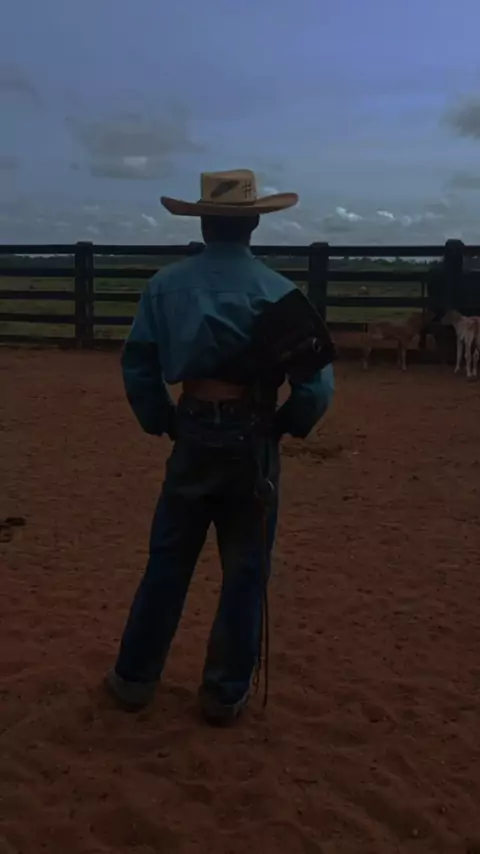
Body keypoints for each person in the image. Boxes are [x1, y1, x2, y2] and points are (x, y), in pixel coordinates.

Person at [105, 169, 335, 725]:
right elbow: (315, 387)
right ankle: (224, 692)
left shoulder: (164, 286)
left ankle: (134, 679)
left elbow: (139, 364)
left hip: (192, 429)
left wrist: (163, 419)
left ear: (203, 224)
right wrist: (284, 425)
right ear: (254, 224)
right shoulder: (280, 293)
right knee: (246, 569)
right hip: (252, 436)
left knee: (168, 560)